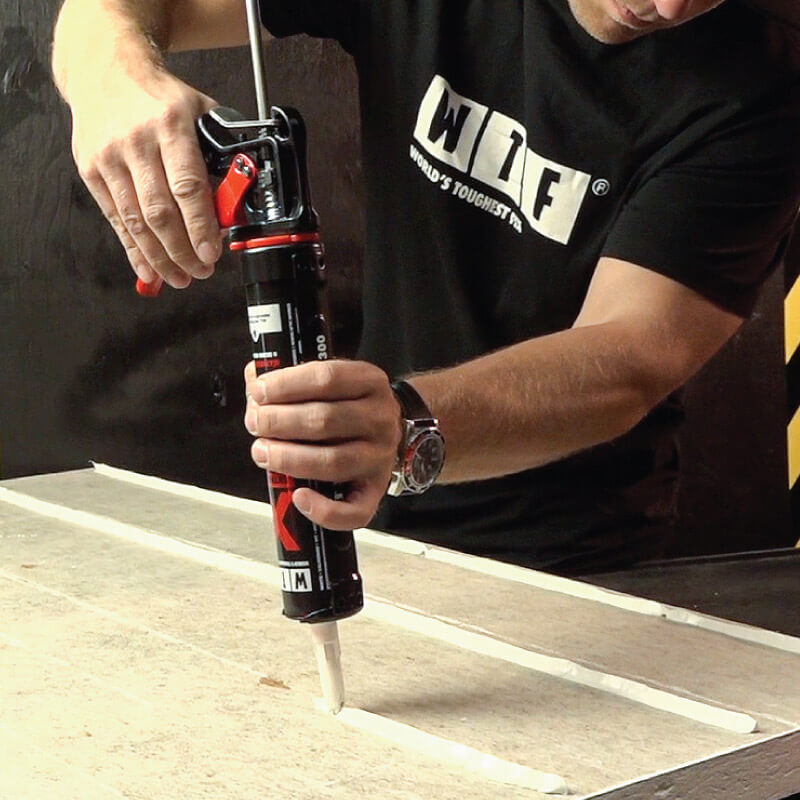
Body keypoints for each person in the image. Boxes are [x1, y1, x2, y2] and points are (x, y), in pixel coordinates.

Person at [52, 0, 800, 574]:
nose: (666, 7)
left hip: (584, 559)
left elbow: (632, 351)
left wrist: (407, 427)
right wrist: (109, 79)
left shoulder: (764, 86)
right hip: (376, 527)